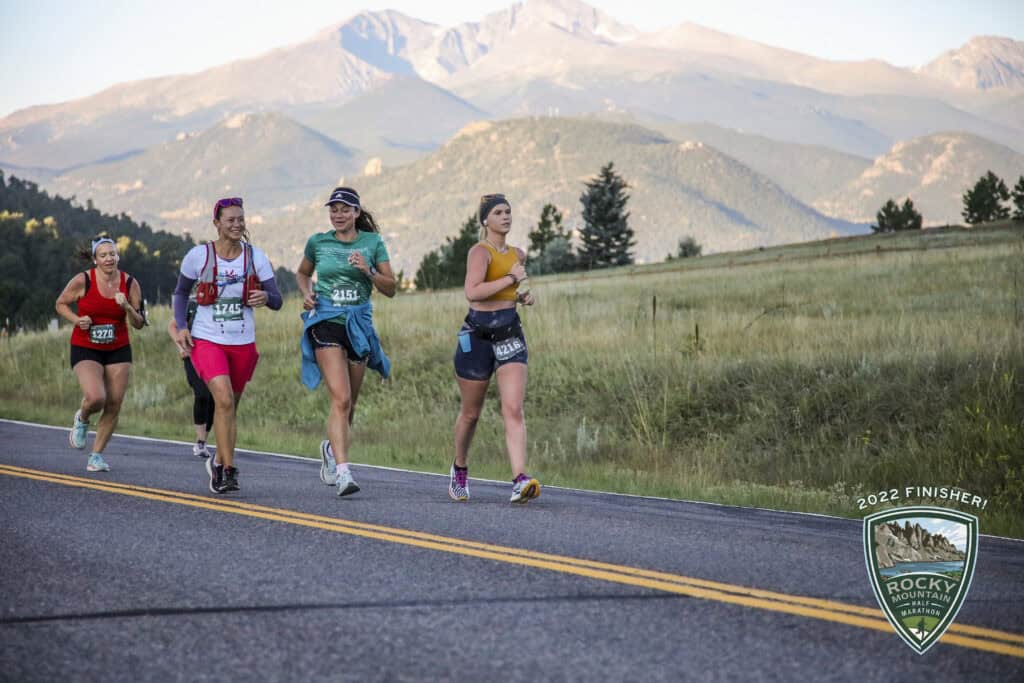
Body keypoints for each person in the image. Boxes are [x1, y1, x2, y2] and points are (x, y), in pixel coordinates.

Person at [172, 197, 283, 493]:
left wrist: (265, 297)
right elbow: (181, 293)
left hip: (243, 342)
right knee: (223, 401)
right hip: (207, 339)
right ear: (217, 223)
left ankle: (218, 461)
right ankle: (229, 471)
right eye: (231, 220)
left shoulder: (255, 257)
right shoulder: (199, 256)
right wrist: (182, 326)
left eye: (241, 219)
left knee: (230, 407)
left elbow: (277, 300)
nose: (237, 224)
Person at [297, 187, 396, 497]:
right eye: (333, 209)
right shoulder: (318, 242)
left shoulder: (373, 243)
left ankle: (330, 449)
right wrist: (307, 294)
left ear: (356, 212)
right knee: (340, 399)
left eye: (344, 209)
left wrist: (368, 271)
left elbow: (391, 288)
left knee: (349, 404)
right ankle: (343, 473)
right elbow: (302, 273)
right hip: (326, 322)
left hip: (358, 326)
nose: (338, 215)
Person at [450, 194, 539, 503]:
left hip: (509, 333)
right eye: (498, 212)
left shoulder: (518, 254)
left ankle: (519, 479)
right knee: (471, 414)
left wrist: (522, 296)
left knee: (513, 408)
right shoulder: (480, 252)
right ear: (485, 220)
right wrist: (510, 278)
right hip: (476, 337)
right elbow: (472, 292)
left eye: (508, 212)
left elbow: (512, 289)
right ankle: (460, 468)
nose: (505, 217)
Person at [55, 235, 146, 472]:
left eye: (112, 254)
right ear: (95, 259)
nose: (108, 259)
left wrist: (127, 307)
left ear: (118, 256)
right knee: (96, 397)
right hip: (86, 346)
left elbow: (139, 323)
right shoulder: (83, 280)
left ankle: (96, 456)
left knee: (114, 404)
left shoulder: (130, 283)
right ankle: (83, 417)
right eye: (103, 255)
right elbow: (60, 303)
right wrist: (77, 320)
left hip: (118, 347)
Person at [167, 306, 215, 458]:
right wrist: (181, 347)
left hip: (214, 356)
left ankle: (203, 440)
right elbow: (172, 326)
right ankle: (200, 441)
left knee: (214, 398)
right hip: (192, 355)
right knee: (202, 394)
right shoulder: (193, 305)